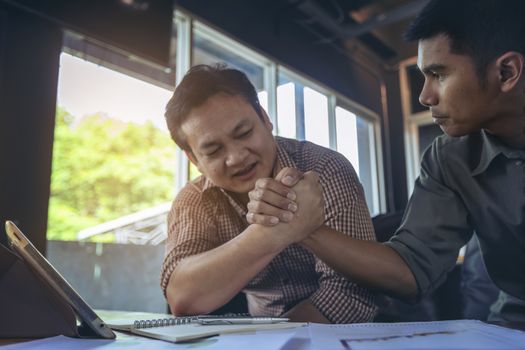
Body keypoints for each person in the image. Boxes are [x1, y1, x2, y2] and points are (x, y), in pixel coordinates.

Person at [246, 0, 525, 322]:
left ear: (506, 72)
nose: (425, 97)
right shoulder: (449, 159)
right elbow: (410, 273)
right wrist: (303, 226)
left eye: (438, 74)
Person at [160, 64, 378, 323]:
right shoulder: (195, 198)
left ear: (265, 119)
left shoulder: (324, 169)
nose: (237, 157)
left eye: (244, 133)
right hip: (259, 334)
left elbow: (351, 293)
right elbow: (183, 297)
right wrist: (274, 232)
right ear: (194, 159)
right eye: (214, 150)